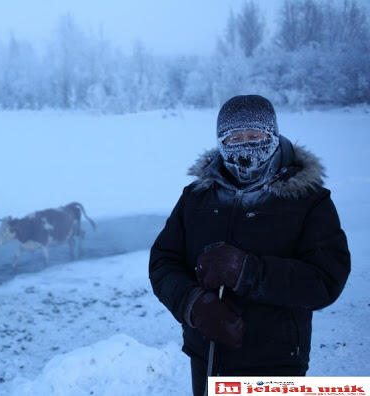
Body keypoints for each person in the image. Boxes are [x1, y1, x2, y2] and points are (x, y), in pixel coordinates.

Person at [148, 95, 350, 396]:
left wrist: (247, 271)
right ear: (221, 142)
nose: (245, 146)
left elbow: (326, 279)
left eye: (255, 136)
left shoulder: (309, 200)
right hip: (207, 360)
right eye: (234, 137)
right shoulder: (196, 198)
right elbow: (163, 262)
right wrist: (193, 304)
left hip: (276, 365)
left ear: (273, 135)